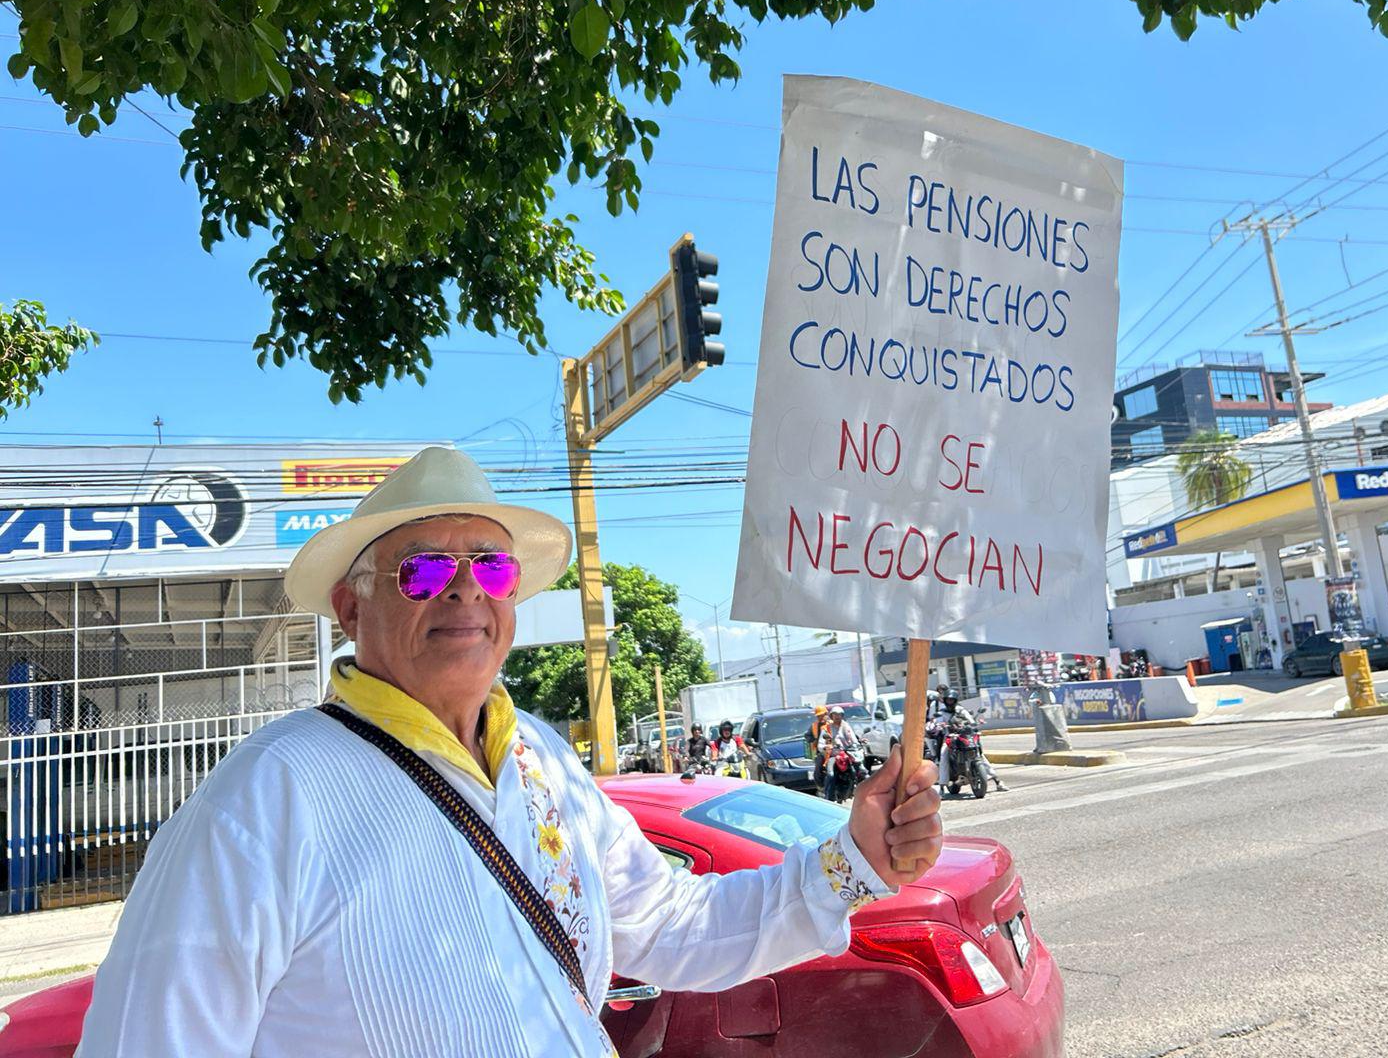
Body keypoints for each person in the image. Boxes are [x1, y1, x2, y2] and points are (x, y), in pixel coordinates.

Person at [77, 447, 943, 1057]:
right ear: (350, 609)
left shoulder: (542, 759)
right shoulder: (263, 803)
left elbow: (679, 925)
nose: (463, 591)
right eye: (420, 571)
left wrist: (852, 861)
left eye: (490, 568)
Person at [933, 689, 1007, 794]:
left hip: (964, 736)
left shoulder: (961, 710)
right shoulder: (941, 713)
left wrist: (973, 724)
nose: (950, 702)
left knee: (979, 755)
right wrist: (941, 726)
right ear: (945, 701)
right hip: (950, 737)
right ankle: (942, 787)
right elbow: (938, 723)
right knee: (943, 754)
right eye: (948, 700)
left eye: (952, 700)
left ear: (955, 700)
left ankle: (998, 781)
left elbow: (970, 720)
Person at [818, 707, 861, 802]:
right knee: (831, 774)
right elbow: (821, 743)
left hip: (847, 754)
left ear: (842, 716)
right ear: (831, 716)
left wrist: (858, 744)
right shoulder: (826, 728)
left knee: (859, 771)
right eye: (835, 714)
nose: (837, 717)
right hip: (833, 755)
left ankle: (861, 793)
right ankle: (828, 796)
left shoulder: (846, 726)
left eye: (839, 714)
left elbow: (854, 740)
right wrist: (825, 747)